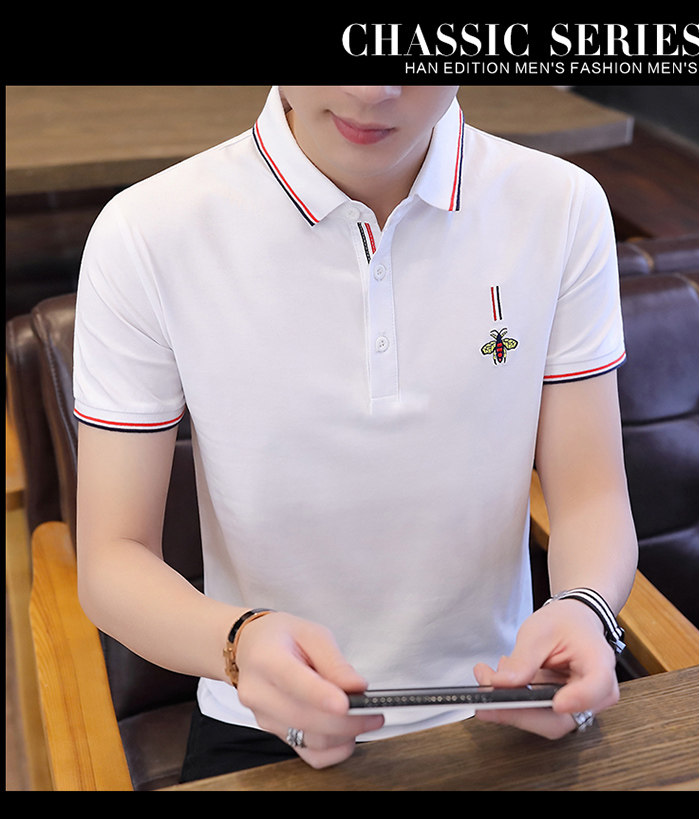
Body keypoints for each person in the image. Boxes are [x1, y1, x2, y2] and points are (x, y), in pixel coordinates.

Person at [73, 85, 638, 781]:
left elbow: (591, 498)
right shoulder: (147, 232)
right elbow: (112, 558)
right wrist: (238, 644)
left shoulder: (561, 206)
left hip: (510, 701)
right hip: (262, 719)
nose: (372, 90)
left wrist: (584, 608)